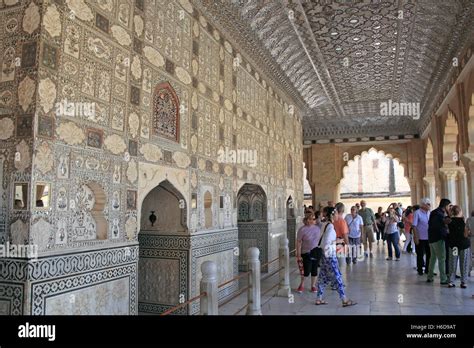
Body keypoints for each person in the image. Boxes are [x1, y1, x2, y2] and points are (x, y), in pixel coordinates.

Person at [314, 207, 357, 307]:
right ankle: (344, 300)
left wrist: (335, 241)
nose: (338, 215)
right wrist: (337, 241)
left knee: (323, 277)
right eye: (336, 213)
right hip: (330, 255)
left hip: (325, 255)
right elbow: (326, 243)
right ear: (332, 215)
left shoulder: (325, 224)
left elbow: (323, 241)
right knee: (337, 277)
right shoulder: (330, 227)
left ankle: (319, 298)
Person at [427, 198, 451, 285]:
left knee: (433, 258)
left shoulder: (434, 212)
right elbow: (442, 224)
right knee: (442, 258)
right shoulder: (439, 214)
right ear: (445, 206)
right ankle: (443, 279)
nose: (449, 208)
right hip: (438, 238)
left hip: (431, 238)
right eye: (448, 206)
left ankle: (430, 276)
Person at [296, 213, 322, 293]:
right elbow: (299, 242)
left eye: (314, 219)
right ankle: (302, 284)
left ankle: (313, 285)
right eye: (311, 219)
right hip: (306, 252)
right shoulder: (302, 229)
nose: (313, 220)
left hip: (316, 251)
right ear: (307, 220)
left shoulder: (318, 228)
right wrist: (298, 254)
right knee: (306, 270)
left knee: (314, 269)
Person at [447, 206, 470, 288]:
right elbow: (465, 234)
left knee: (453, 262)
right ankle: (463, 282)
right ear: (460, 211)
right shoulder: (464, 221)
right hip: (464, 245)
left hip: (454, 245)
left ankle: (451, 281)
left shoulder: (449, 221)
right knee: (464, 263)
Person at [413, 198, 431, 275]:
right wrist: (416, 237)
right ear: (423, 205)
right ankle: (420, 269)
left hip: (429, 237)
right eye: (428, 204)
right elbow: (414, 226)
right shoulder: (417, 213)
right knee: (420, 254)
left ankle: (428, 269)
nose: (430, 206)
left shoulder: (429, 213)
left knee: (429, 254)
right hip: (420, 237)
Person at [466, 210, 474, 275]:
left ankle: (469, 270)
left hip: (471, 238)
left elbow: (466, 230)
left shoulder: (469, 219)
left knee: (470, 255)